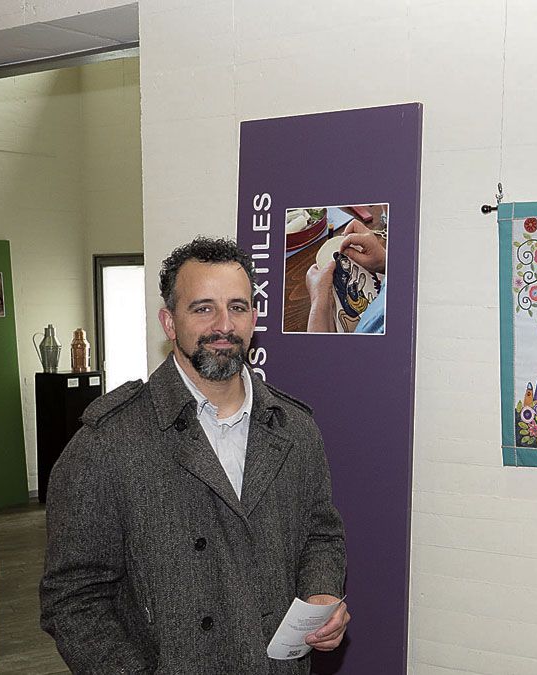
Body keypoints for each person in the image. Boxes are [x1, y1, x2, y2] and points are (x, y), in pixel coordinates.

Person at [40, 237, 349, 673]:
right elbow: (73, 598)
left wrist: (320, 594)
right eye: (203, 308)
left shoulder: (295, 429)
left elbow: (321, 534)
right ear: (169, 323)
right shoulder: (107, 443)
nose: (224, 325)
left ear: (254, 318)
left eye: (237, 307)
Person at [306, 218, 387, 334]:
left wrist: (318, 302)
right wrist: (384, 262)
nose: (347, 263)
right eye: (344, 262)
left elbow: (319, 350)